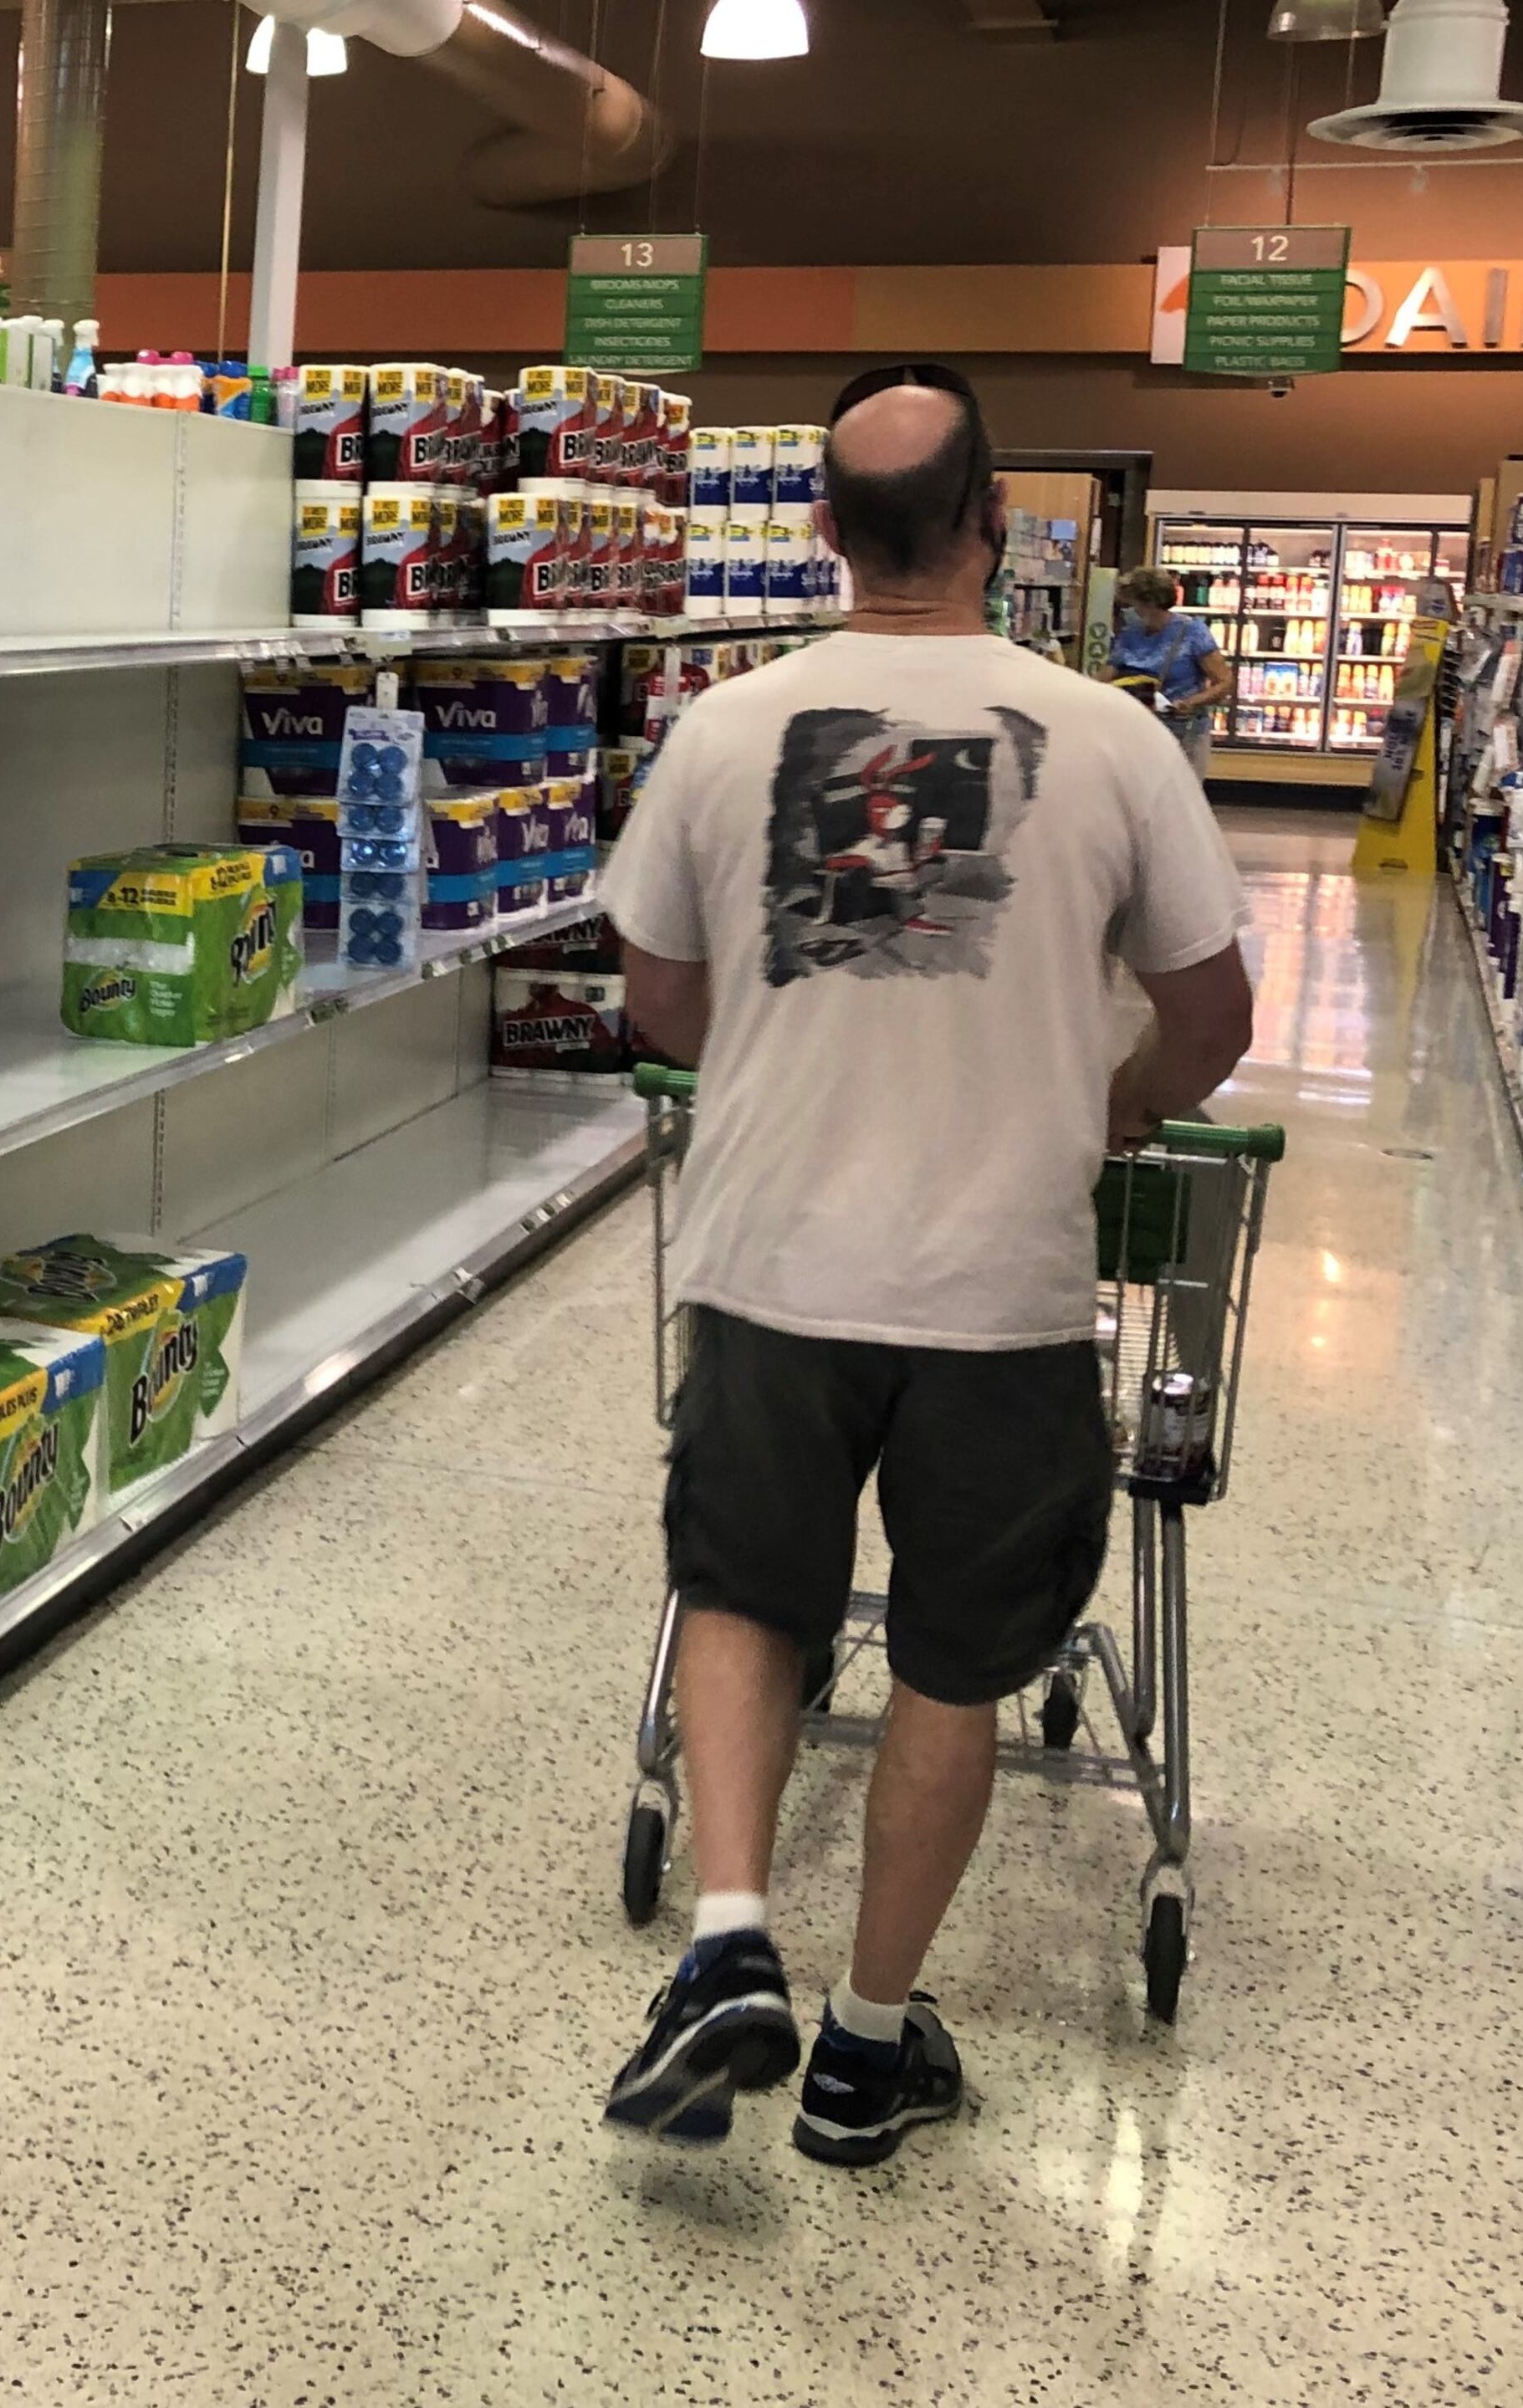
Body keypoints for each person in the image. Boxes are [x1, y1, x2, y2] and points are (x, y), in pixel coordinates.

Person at [590, 362, 1255, 2164]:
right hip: (999, 1292)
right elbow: (1214, 1012)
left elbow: (655, 998)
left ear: (816, 526)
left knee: (742, 1590)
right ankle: (869, 2046)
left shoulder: (728, 733)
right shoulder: (1110, 735)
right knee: (954, 1664)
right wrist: (1111, 1098)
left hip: (769, 1262)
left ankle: (732, 1932)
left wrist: (795, 1034)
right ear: (990, 526)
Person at [1109, 566, 1234, 781]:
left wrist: (1190, 702)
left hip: (1183, 732)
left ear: (1150, 603)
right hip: (1139, 730)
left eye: (1132, 604)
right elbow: (1107, 674)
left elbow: (1224, 682)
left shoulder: (1192, 632)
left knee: (1177, 800)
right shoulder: (1129, 634)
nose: (1128, 611)